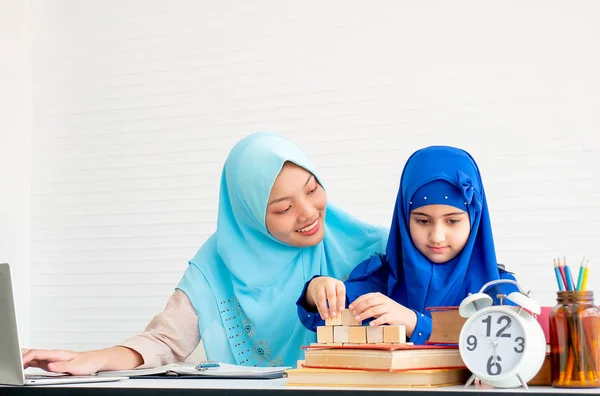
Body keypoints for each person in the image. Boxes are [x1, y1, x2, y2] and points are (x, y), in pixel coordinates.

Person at [21, 133, 388, 374]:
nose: (308, 213)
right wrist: (91, 360)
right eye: (282, 208)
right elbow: (165, 341)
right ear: (250, 217)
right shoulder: (218, 262)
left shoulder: (374, 247)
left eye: (311, 190)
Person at [298, 145, 517, 344]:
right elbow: (324, 320)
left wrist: (415, 323)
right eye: (423, 221)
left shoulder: (499, 291)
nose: (437, 236)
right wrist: (316, 290)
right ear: (404, 218)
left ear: (475, 219)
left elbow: (505, 347)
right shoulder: (380, 280)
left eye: (452, 221)